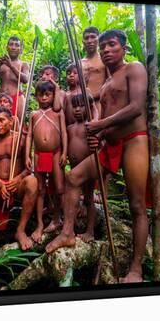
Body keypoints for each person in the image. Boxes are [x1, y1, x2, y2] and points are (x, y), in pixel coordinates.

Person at [46, 29, 150, 283]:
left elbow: (136, 108)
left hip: (134, 141)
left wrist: (101, 126)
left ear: (123, 48)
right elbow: (102, 123)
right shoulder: (103, 87)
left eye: (111, 44)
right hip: (110, 145)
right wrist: (99, 135)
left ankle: (135, 269)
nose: (105, 49)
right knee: (73, 178)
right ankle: (68, 232)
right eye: (103, 46)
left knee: (136, 206)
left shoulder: (134, 68)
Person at [0, 107, 38, 258]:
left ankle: (20, 230)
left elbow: (28, 168)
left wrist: (17, 180)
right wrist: (0, 184)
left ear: (11, 121)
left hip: (17, 185)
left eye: (2, 120)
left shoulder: (21, 139)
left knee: (32, 182)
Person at [25, 80, 67, 235]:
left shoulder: (58, 113)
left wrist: (64, 152)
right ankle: (40, 224)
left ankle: (57, 219)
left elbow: (64, 133)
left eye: (47, 95)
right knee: (40, 189)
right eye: (41, 95)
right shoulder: (34, 114)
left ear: (53, 95)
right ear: (36, 97)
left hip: (55, 153)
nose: (44, 98)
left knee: (59, 188)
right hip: (38, 155)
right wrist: (27, 155)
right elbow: (29, 135)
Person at [66, 94, 96, 242]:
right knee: (73, 197)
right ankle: (72, 226)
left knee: (89, 198)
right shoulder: (70, 128)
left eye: (81, 106)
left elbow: (98, 144)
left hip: (88, 168)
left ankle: (90, 231)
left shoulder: (90, 125)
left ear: (89, 107)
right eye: (75, 106)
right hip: (73, 167)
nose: (77, 109)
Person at [0, 36, 30, 122]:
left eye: (17, 45)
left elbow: (25, 79)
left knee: (17, 123)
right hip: (2, 99)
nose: (14, 47)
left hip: (17, 97)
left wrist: (11, 66)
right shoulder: (1, 64)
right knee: (0, 123)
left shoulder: (24, 64)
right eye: (11, 44)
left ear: (20, 49)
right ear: (7, 47)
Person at [81, 26, 108, 114]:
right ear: (83, 42)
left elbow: (111, 81)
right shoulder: (79, 63)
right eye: (86, 38)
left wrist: (92, 96)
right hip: (81, 106)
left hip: (99, 104)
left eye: (93, 37)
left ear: (98, 40)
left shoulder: (105, 59)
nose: (89, 41)